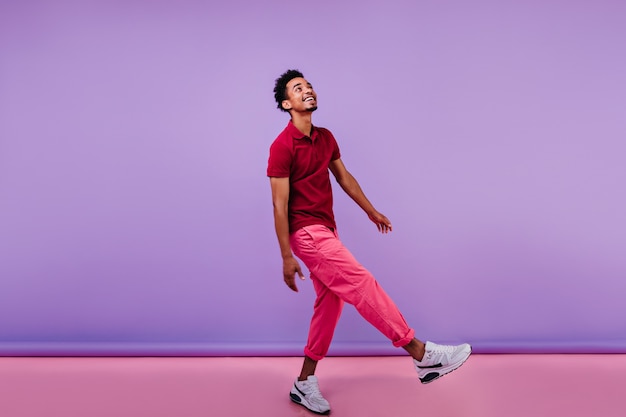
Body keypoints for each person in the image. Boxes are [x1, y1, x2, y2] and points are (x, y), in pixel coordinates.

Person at [267, 69, 471, 415]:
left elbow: (344, 178)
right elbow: (278, 203)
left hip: (326, 231)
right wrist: (286, 255)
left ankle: (304, 382)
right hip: (306, 234)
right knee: (361, 282)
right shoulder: (282, 146)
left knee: (330, 304)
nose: (308, 91)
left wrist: (371, 211)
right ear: (287, 104)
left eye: (310, 86)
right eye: (298, 89)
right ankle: (422, 354)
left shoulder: (326, 137)